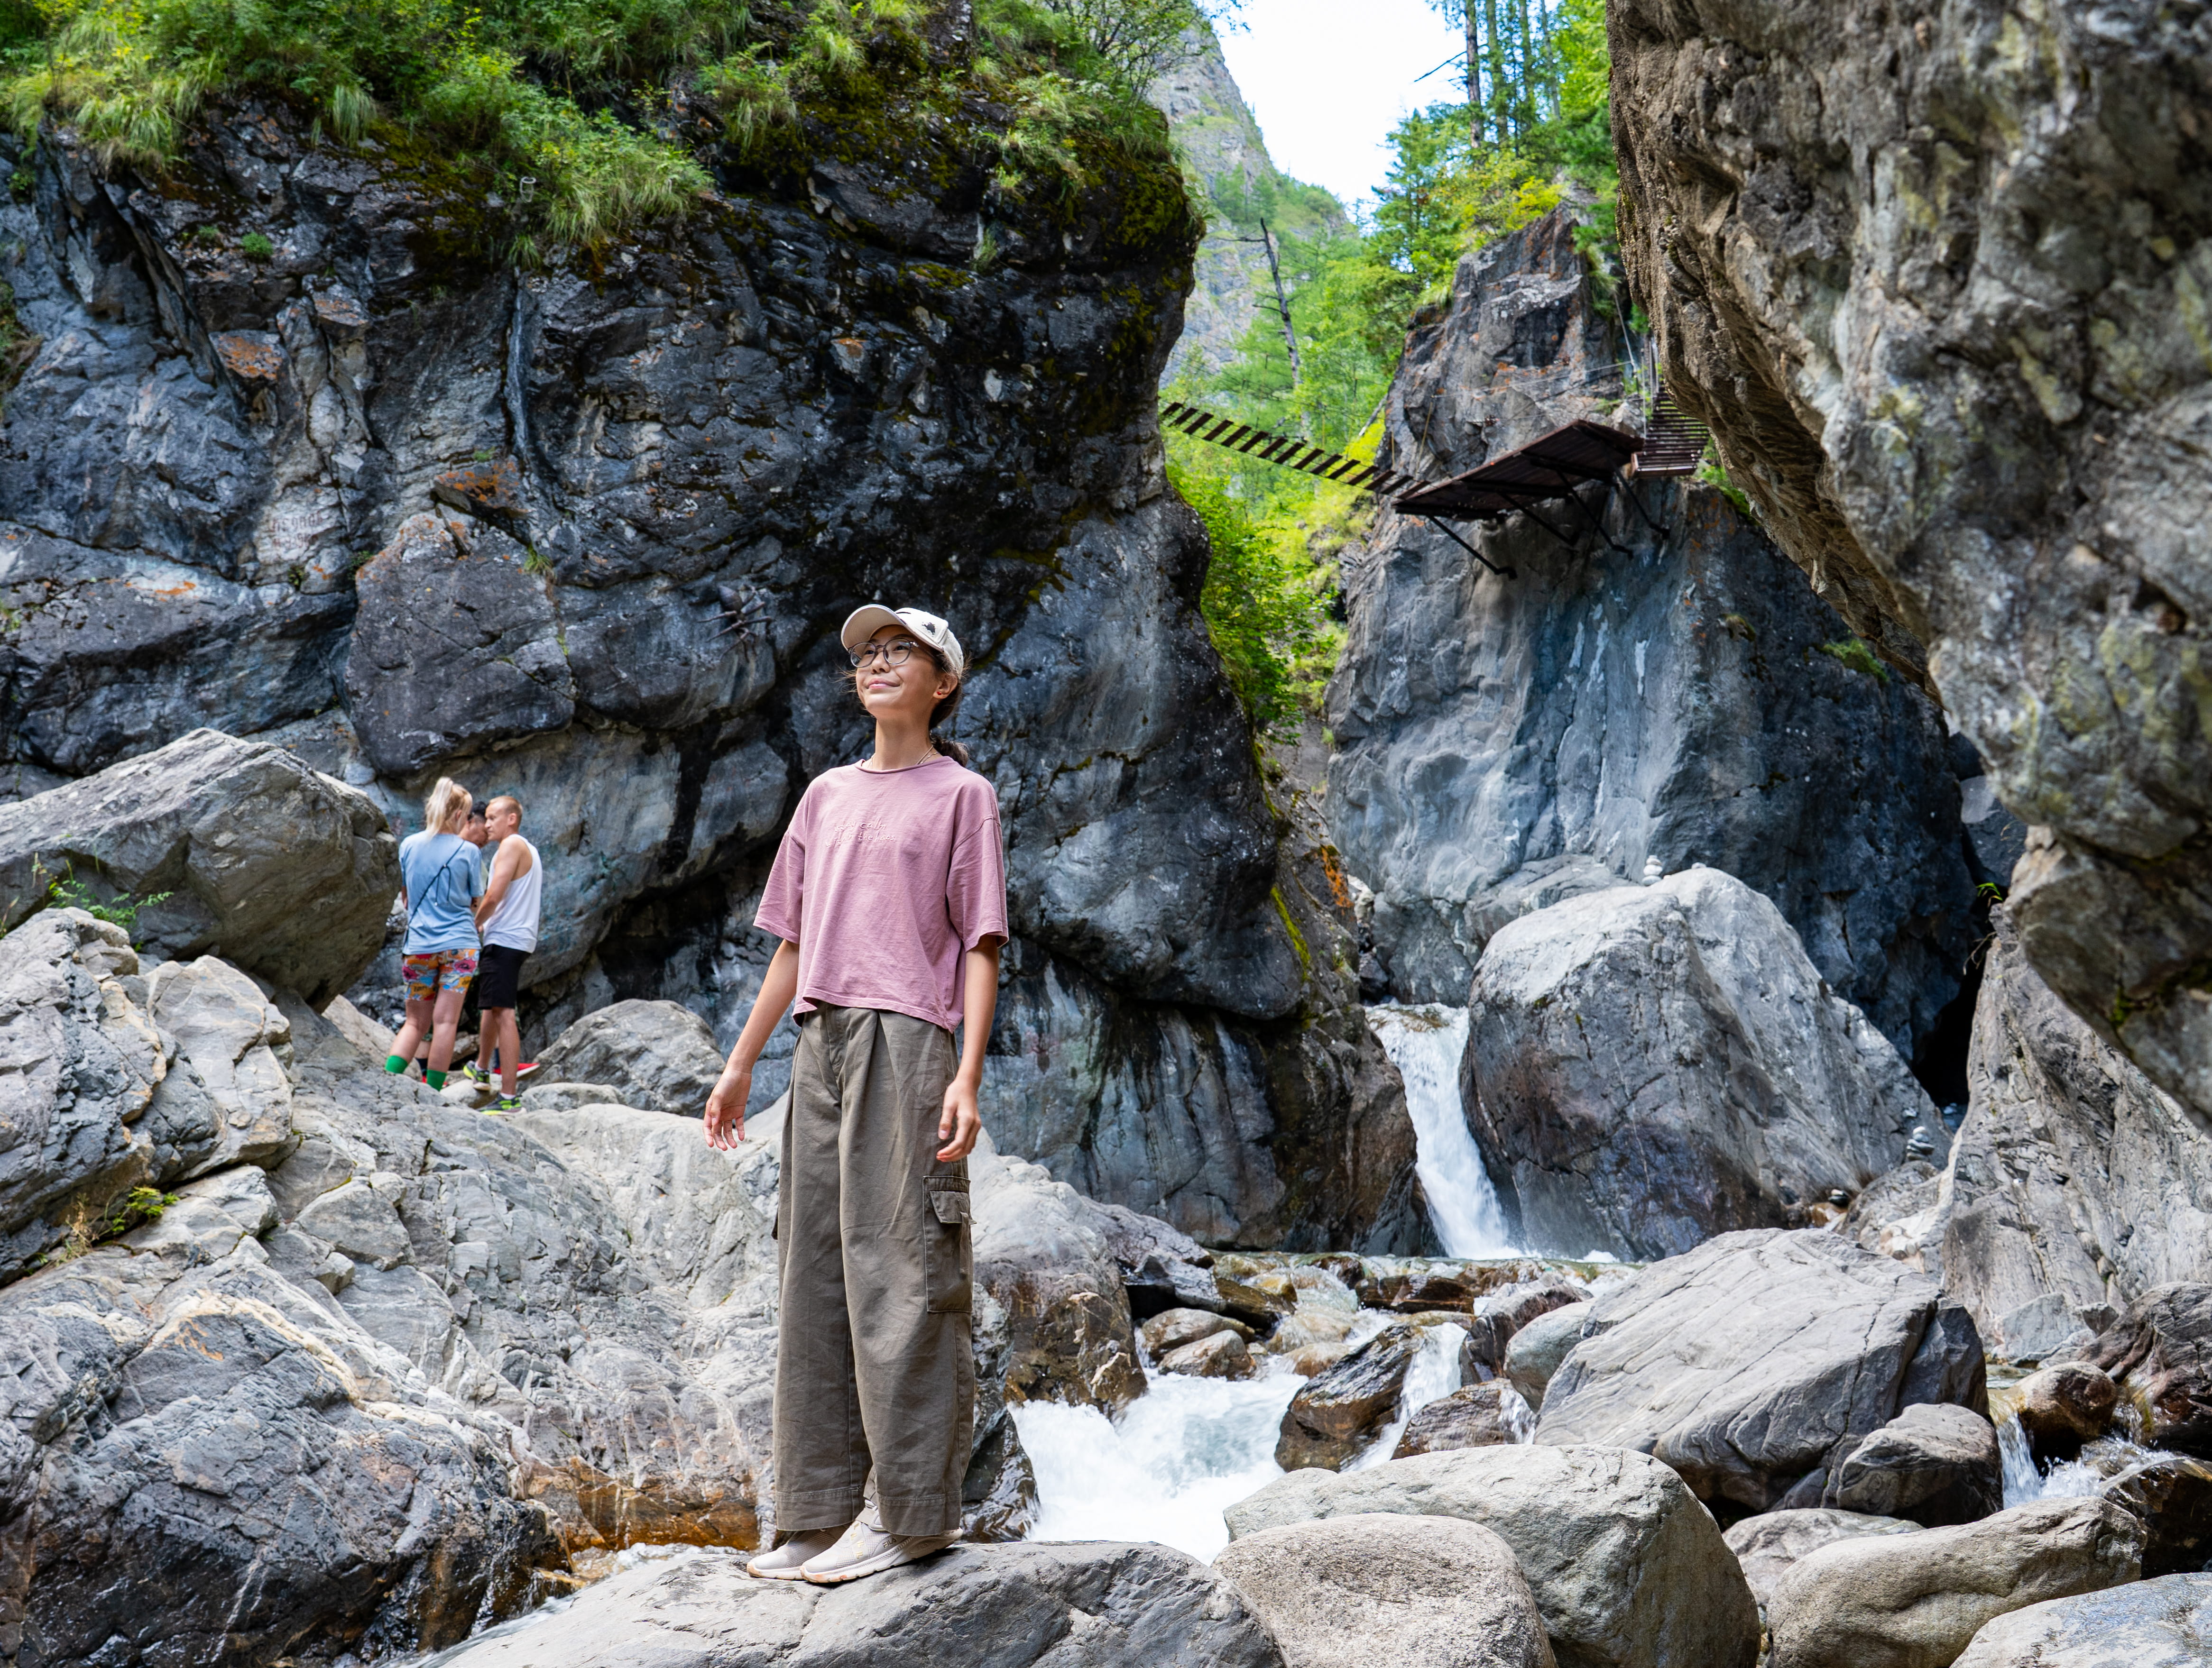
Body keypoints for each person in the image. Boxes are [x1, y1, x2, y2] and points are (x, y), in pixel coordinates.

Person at [705, 604, 1005, 1588]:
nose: (878, 665)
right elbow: (794, 942)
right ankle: (814, 1512)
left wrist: (964, 1072)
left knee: (906, 1270)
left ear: (942, 682)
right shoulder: (826, 795)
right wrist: (743, 1061)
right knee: (818, 1272)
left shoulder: (962, 795)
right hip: (818, 1042)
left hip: (909, 1040)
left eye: (901, 654)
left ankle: (909, 1514)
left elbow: (979, 943)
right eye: (869, 656)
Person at [387, 777, 485, 1092]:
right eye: (468, 816)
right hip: (460, 946)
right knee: (446, 1023)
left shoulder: (409, 845)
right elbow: (475, 901)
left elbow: (405, 897)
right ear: (458, 815)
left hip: (419, 946)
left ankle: (386, 1083)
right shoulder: (468, 851)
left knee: (415, 1023)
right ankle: (435, 1093)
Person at [469, 795, 542, 1112]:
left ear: (511, 818)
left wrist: (474, 924)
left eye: (493, 817)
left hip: (506, 938)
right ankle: (482, 1068)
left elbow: (495, 894)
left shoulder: (511, 846)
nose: (487, 825)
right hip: (513, 938)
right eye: (485, 819)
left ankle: (510, 1097)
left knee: (503, 1012)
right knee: (492, 1006)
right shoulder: (526, 848)